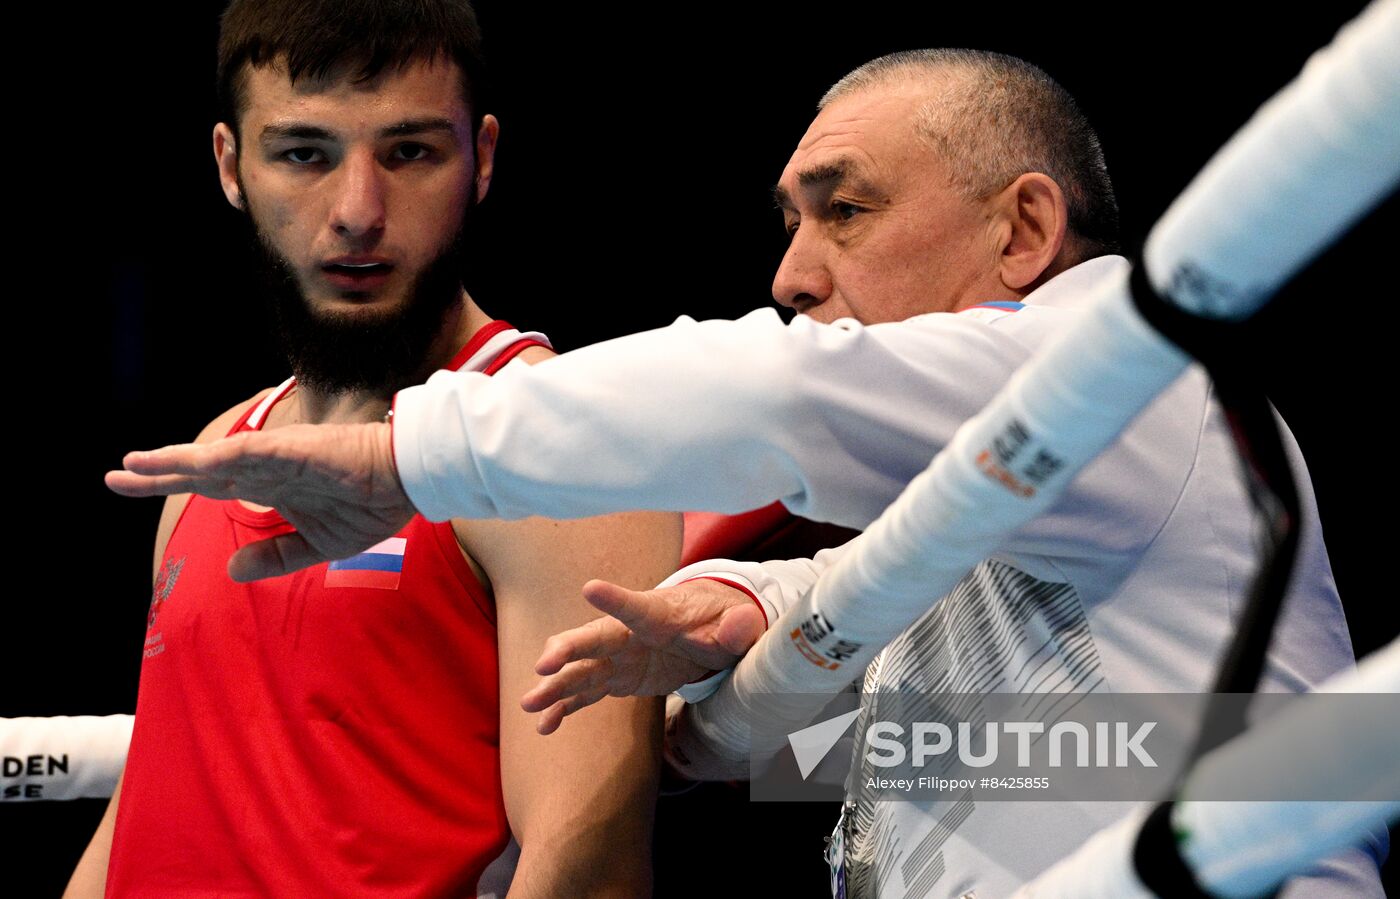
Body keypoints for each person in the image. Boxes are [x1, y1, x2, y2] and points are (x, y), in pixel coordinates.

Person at [106, 50, 1388, 895]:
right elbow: (894, 580)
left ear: (1023, 229)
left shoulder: (1127, 372)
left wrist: (412, 452)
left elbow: (780, 390)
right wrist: (748, 609)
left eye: (844, 209)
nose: (792, 272)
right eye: (789, 219)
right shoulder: (1013, 477)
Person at [70, 1, 679, 896]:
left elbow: (585, 866)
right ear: (231, 166)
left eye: (410, 152)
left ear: (484, 159)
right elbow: (159, 795)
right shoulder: (215, 453)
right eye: (304, 154)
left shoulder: (552, 445)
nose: (359, 210)